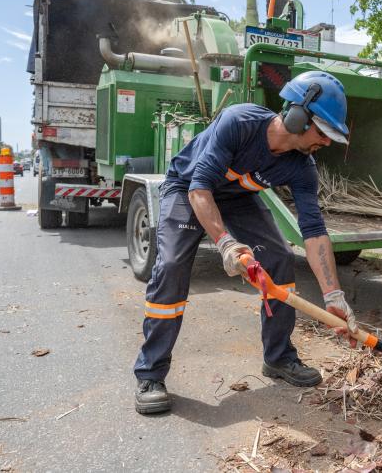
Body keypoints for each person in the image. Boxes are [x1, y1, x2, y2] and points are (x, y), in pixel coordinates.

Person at [133, 71, 358, 414]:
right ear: (297, 116)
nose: (326, 142)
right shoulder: (240, 122)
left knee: (280, 258)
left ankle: (279, 357)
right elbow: (200, 188)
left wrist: (333, 295)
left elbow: (314, 233)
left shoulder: (303, 168)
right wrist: (225, 243)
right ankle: (150, 373)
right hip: (188, 188)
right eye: (323, 132)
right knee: (173, 265)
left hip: (236, 197)